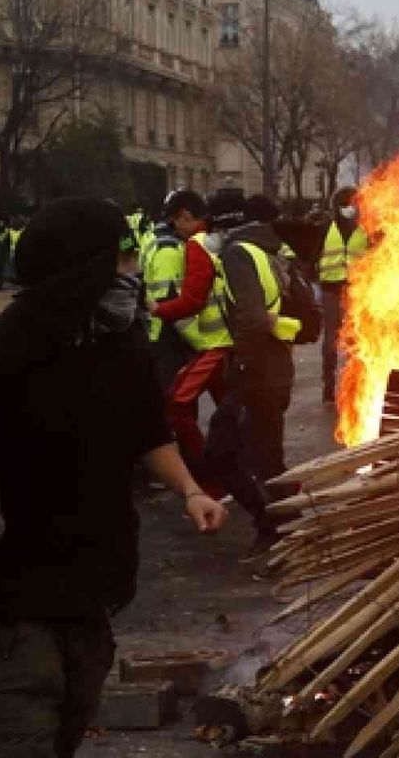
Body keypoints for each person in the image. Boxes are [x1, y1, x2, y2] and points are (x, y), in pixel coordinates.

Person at [0, 197, 226, 758]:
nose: (132, 275)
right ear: (81, 268)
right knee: (26, 741)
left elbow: (147, 431)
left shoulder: (119, 350)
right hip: (10, 581)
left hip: (89, 569)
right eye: (121, 260)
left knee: (67, 721)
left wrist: (192, 491)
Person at [215, 195, 298, 552]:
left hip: (257, 372)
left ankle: (278, 531)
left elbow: (250, 317)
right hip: (276, 367)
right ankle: (282, 527)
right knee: (267, 456)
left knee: (223, 454)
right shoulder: (269, 249)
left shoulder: (237, 254)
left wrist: (241, 368)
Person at [153, 189, 243, 506]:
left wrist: (158, 309)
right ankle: (241, 472)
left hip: (213, 346)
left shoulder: (198, 244)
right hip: (233, 342)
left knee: (177, 405)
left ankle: (210, 477)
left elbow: (193, 299)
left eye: (176, 220)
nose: (175, 227)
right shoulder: (228, 240)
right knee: (231, 411)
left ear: (188, 216)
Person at [143, 192, 202, 389]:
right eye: (198, 221)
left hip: (156, 336)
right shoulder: (169, 250)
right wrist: (203, 343)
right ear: (184, 217)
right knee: (174, 403)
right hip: (167, 341)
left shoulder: (153, 237)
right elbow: (172, 306)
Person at [318, 186, 367, 405]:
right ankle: (328, 386)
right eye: (345, 204)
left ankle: (354, 386)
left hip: (357, 290)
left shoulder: (365, 231)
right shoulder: (325, 229)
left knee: (356, 341)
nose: (350, 208)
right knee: (330, 341)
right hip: (331, 289)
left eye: (353, 203)